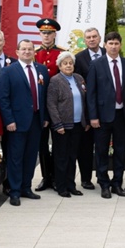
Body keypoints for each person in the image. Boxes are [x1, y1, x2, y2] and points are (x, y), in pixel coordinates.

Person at [0, 40, 48, 207]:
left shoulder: (41, 70)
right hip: (17, 122)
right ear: (17, 52)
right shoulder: (8, 71)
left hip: (36, 120)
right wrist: (9, 120)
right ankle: (15, 191)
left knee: (31, 156)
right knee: (15, 157)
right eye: (23, 49)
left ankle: (26, 187)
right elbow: (3, 98)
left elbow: (45, 96)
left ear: (34, 51)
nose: (27, 52)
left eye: (30, 49)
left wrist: (45, 117)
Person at [86, 32, 125, 199]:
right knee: (101, 151)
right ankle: (104, 183)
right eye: (110, 43)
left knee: (120, 150)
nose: (113, 46)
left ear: (120, 45)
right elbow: (91, 93)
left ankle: (117, 183)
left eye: (116, 43)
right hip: (102, 116)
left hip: (122, 115)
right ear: (105, 45)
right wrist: (93, 116)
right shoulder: (97, 64)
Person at [46, 52, 85, 198]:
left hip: (77, 125)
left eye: (70, 63)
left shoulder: (79, 78)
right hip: (62, 126)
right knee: (61, 157)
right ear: (59, 66)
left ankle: (71, 185)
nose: (68, 65)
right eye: (65, 63)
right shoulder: (55, 81)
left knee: (72, 156)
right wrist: (57, 124)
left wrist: (85, 121)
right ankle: (61, 186)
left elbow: (84, 100)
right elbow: (51, 104)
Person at [33, 18, 64, 193]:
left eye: (50, 33)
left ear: (55, 34)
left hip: (58, 107)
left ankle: (57, 178)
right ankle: (46, 177)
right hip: (40, 108)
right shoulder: (34, 54)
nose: (46, 36)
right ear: (40, 34)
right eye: (43, 33)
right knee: (42, 145)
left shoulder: (61, 54)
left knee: (59, 145)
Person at [73, 27, 104, 190]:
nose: (92, 39)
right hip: (86, 110)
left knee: (102, 145)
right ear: (84, 41)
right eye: (88, 37)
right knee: (85, 147)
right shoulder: (79, 58)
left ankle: (101, 176)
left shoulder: (109, 53)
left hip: (105, 109)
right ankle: (86, 178)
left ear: (99, 38)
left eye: (94, 36)